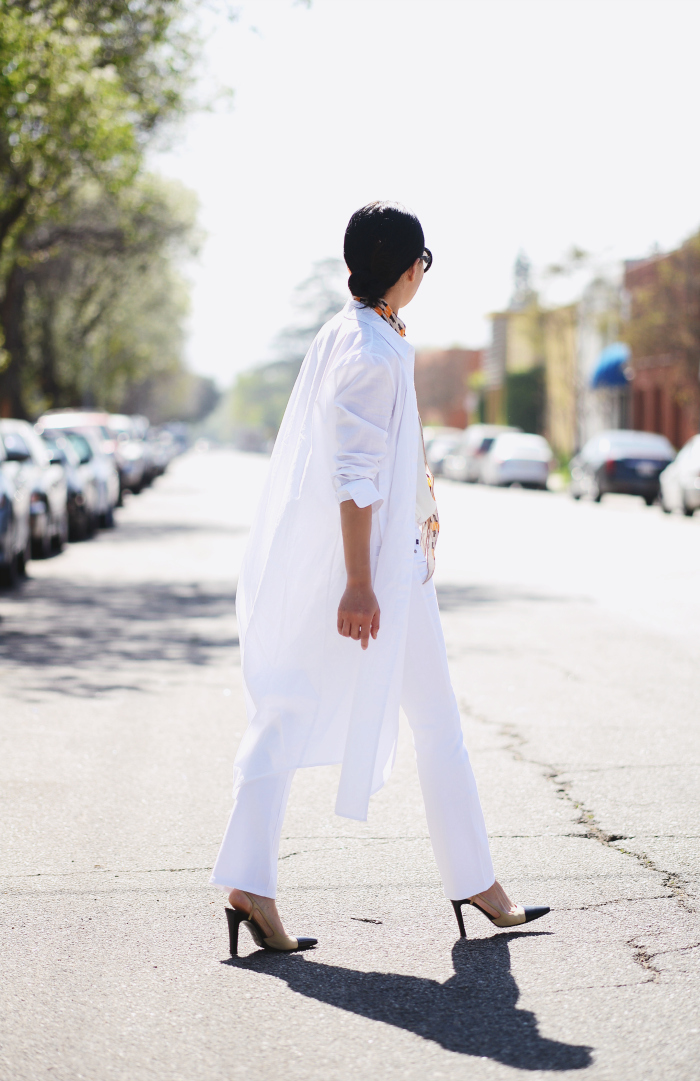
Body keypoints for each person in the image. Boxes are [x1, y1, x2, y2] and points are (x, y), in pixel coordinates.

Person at [211, 202, 549, 955]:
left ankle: (474, 878)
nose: (425, 273)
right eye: (425, 260)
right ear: (406, 267)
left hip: (392, 567)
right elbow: (355, 474)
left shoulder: (363, 333)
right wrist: (359, 582)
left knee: (431, 722)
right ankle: (248, 881)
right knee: (295, 703)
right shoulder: (367, 347)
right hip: (367, 571)